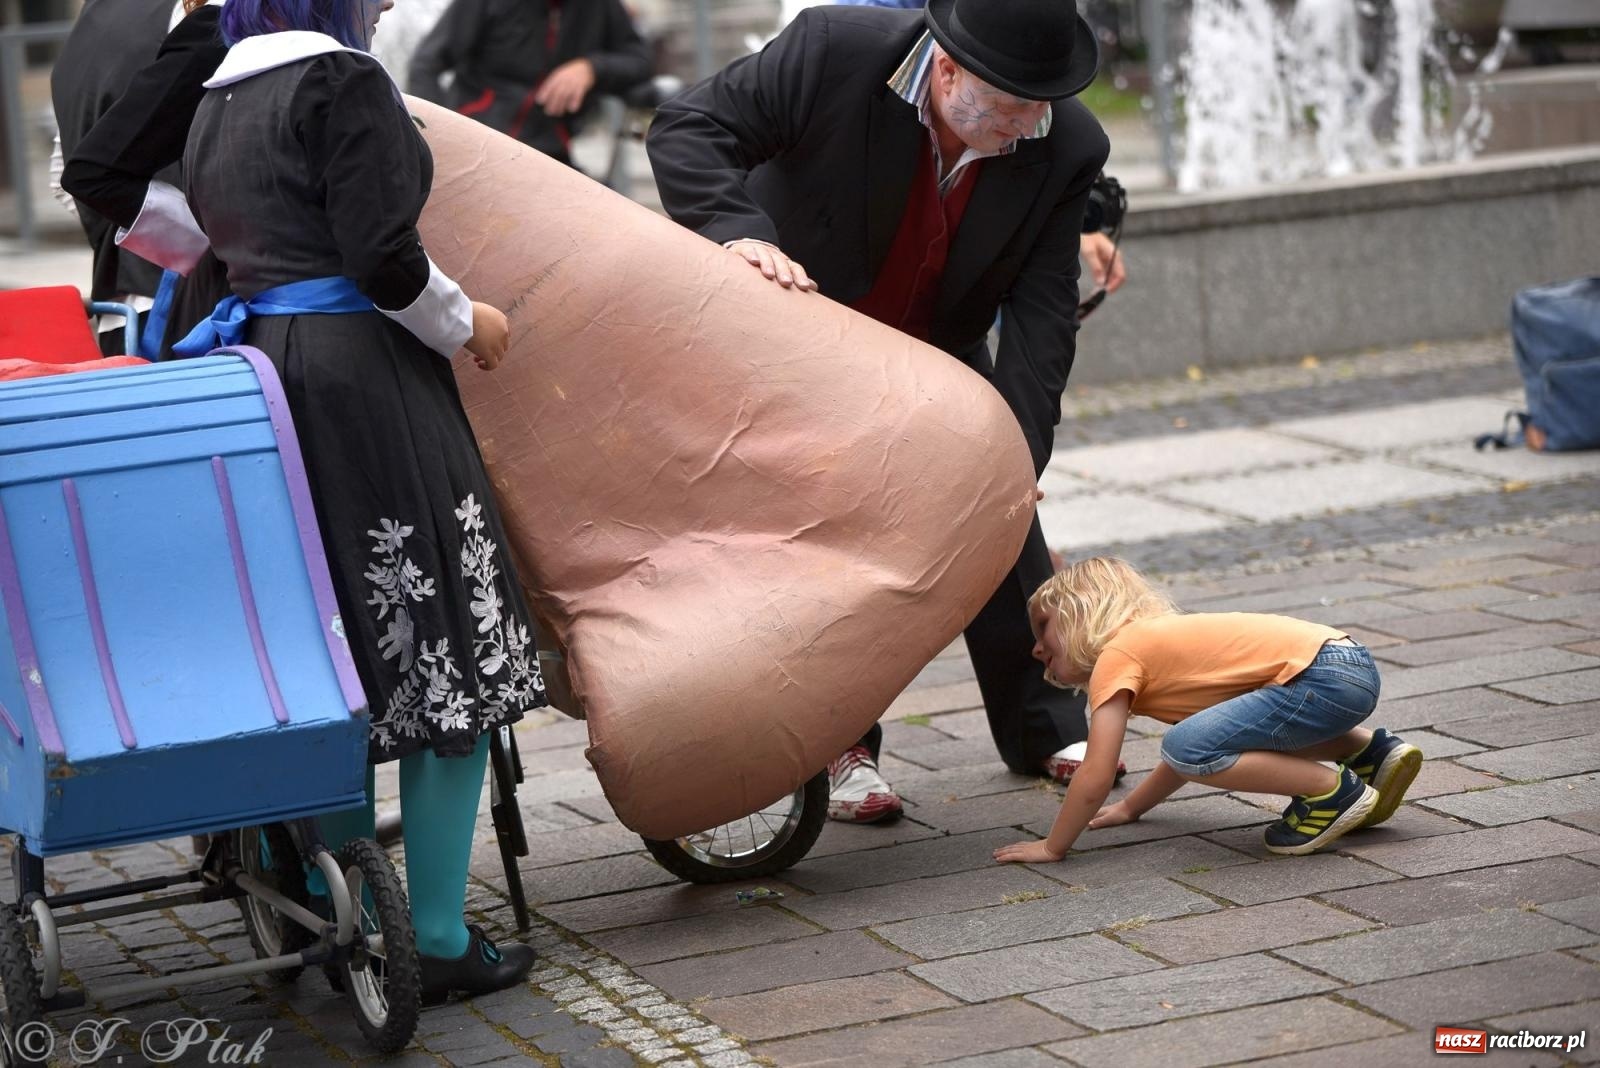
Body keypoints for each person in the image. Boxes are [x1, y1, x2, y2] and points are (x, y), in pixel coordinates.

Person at [646, 0, 1117, 822]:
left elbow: (1043, 319)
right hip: (799, 331)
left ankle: (1044, 722)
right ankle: (841, 744)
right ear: (945, 71)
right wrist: (735, 231)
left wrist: (1016, 457)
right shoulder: (835, 50)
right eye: (1006, 108)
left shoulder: (1064, 141)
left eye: (1036, 109)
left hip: (935, 343)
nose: (1022, 127)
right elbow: (687, 127)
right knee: (825, 536)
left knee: (998, 504)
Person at [178, 0, 545, 1003]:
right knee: (442, 649)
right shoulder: (343, 80)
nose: (385, 0)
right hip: (362, 382)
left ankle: (341, 913)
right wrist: (469, 318)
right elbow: (384, 258)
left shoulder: (219, 95)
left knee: (329, 645)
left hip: (266, 375)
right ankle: (428, 932)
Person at [994, 557, 1425, 864]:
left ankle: (1331, 791)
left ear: (1081, 614)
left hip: (1320, 677)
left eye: (1043, 628)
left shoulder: (1118, 655)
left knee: (1187, 743)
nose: (1035, 647)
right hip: (1343, 664)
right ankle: (1370, 754)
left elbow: (1097, 771)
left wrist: (1053, 846)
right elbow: (1189, 754)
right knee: (1203, 740)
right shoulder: (1160, 651)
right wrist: (1131, 809)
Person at [60, 0, 233, 359]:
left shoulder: (91, 17)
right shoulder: (218, 17)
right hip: (198, 307)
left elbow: (62, 174)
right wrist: (198, 244)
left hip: (123, 303)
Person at [407, 0, 651, 167]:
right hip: (477, 150)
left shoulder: (597, 5)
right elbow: (426, 65)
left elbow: (640, 59)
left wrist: (592, 68)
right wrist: (439, 142)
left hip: (551, 155)